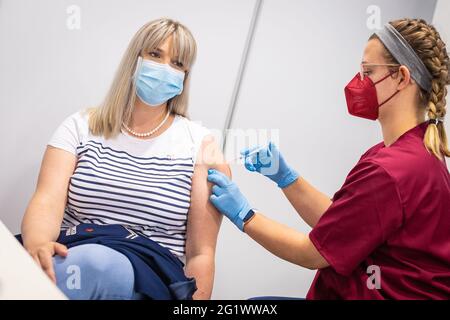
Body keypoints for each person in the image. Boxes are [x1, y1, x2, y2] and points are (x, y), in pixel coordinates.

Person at [207, 18, 450, 299]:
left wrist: (245, 215)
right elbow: (342, 224)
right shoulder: (411, 152)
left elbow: (311, 254)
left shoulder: (392, 170)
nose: (357, 83)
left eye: (368, 72)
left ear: (401, 77)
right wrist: (286, 178)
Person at [19, 18, 229, 300]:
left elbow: (201, 253)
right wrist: (38, 244)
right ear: (135, 59)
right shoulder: (80, 126)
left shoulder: (202, 146)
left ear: (184, 77)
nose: (165, 68)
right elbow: (47, 199)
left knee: (97, 264)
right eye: (155, 55)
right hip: (72, 247)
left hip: (149, 273)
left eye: (177, 63)